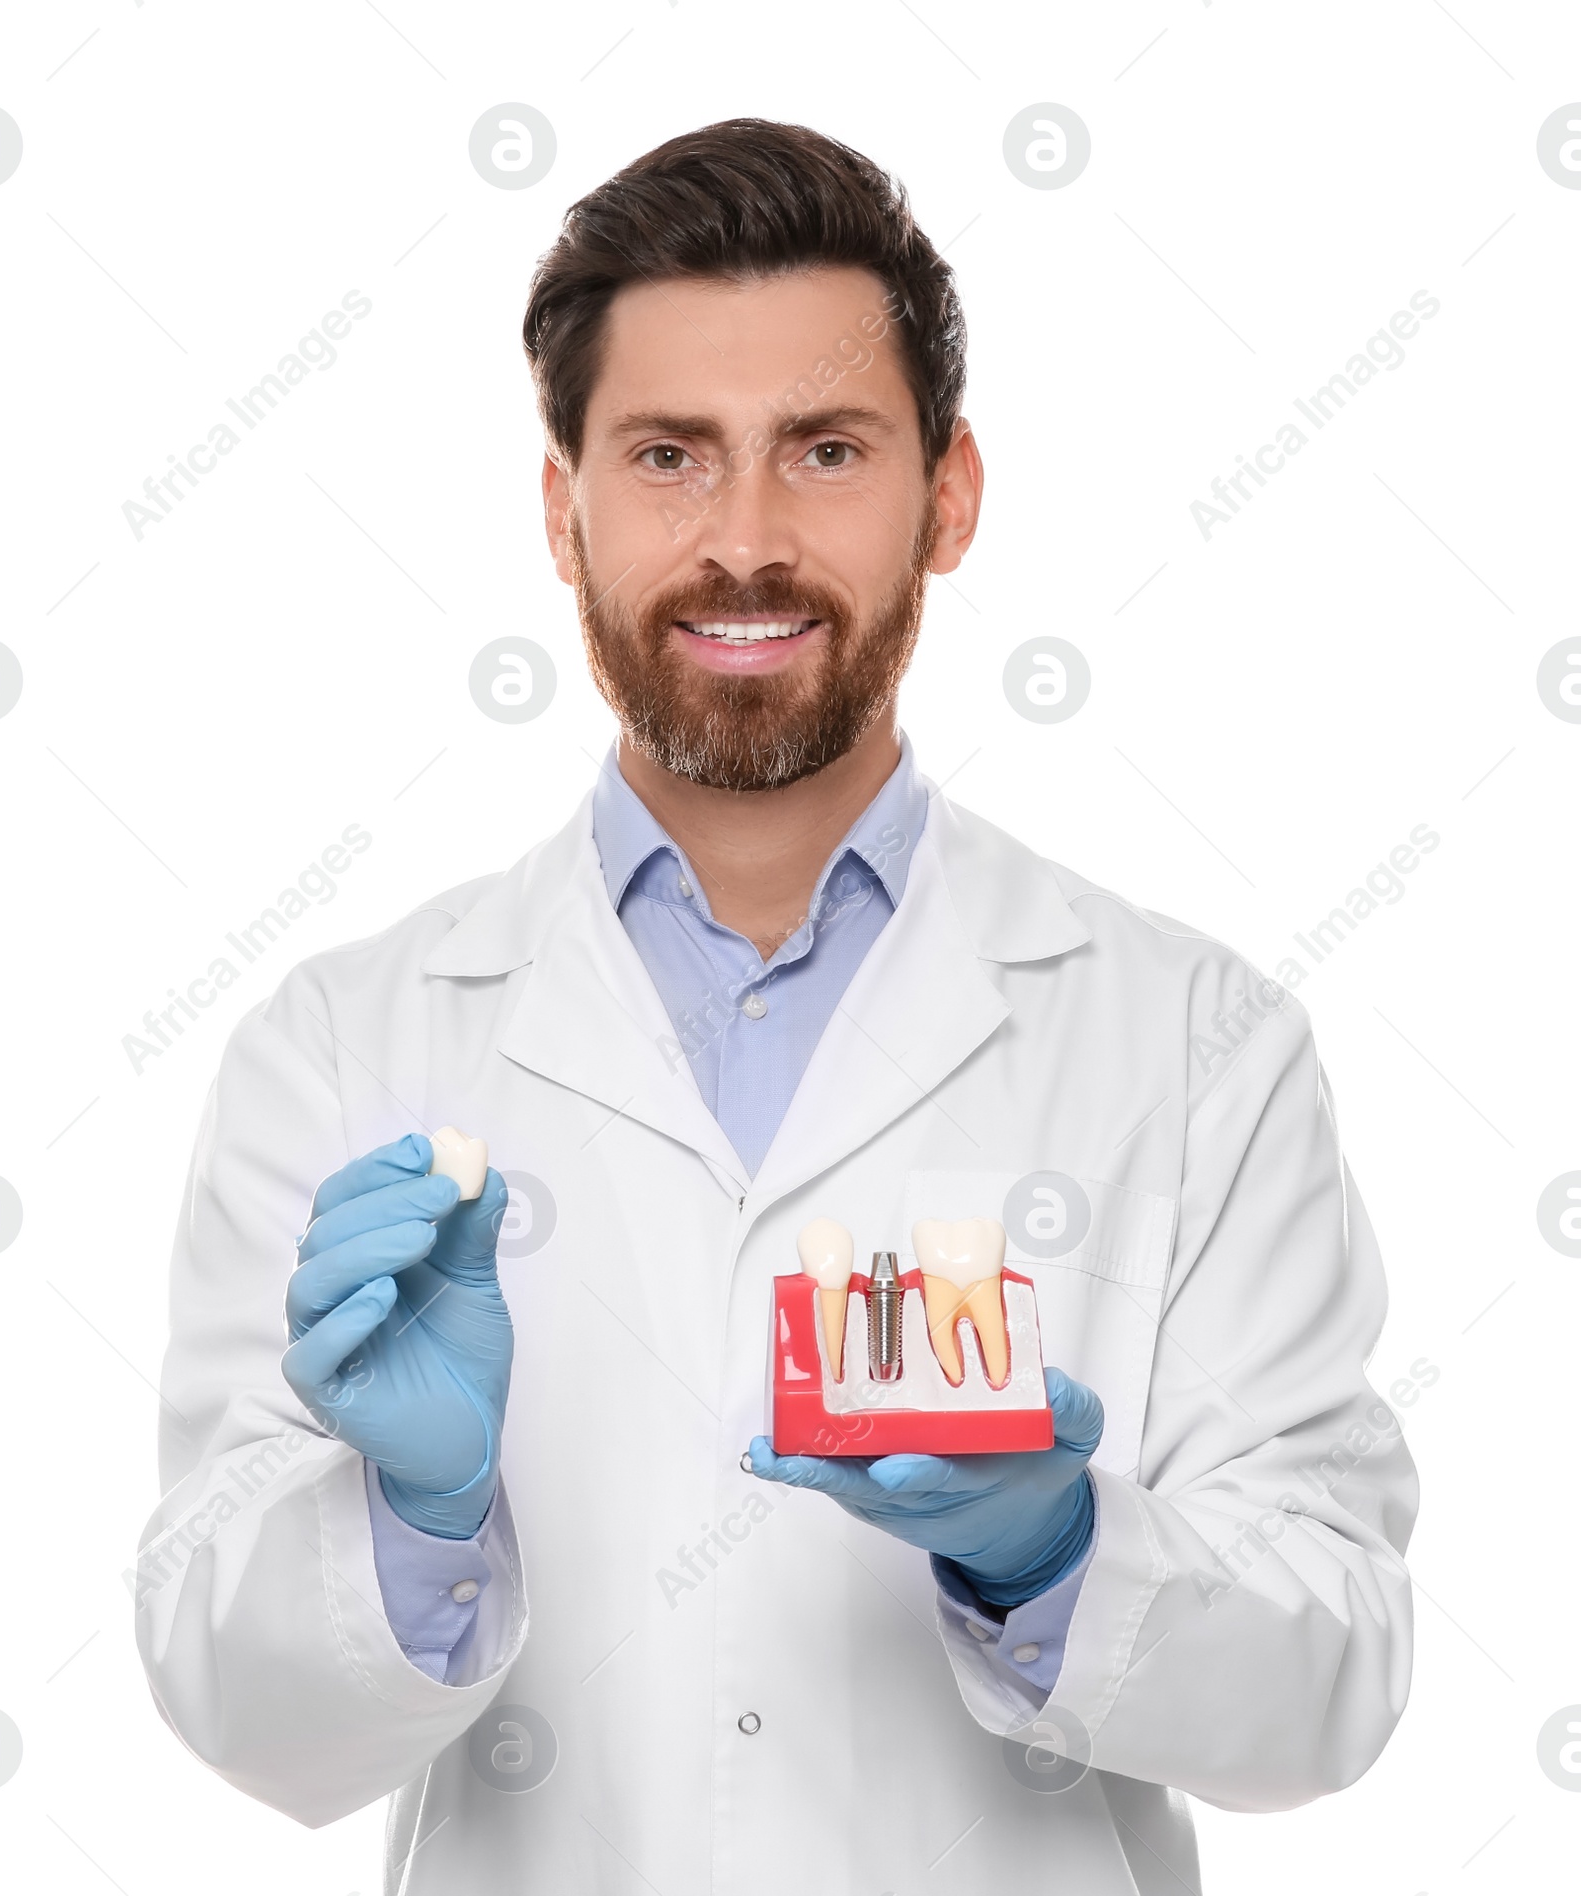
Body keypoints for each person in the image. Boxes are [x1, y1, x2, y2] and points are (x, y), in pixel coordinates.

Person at [135, 120, 1417, 1894]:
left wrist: (1052, 1557)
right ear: (559, 506)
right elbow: (234, 1710)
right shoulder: (346, 1041)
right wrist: (413, 1520)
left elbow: (1335, 1677)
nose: (744, 543)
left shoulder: (1201, 1046)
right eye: (667, 455)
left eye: (824, 450)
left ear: (948, 494)